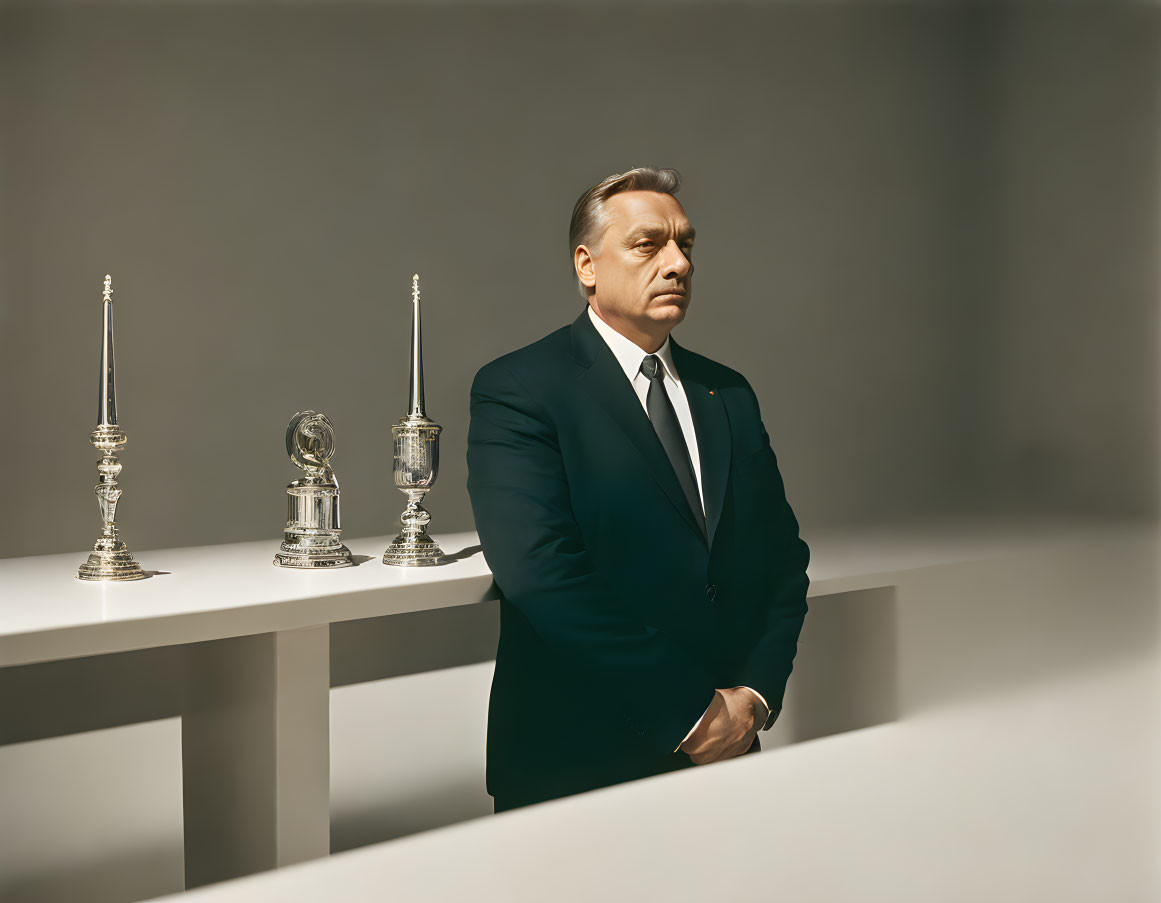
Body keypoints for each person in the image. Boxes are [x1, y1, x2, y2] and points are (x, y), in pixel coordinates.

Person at [466, 166, 810, 813]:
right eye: (649, 244)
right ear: (586, 264)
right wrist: (690, 713)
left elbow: (781, 563)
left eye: (685, 245)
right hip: (575, 763)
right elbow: (543, 576)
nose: (677, 263)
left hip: (726, 759)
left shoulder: (727, 392)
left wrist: (755, 700)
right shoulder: (520, 389)